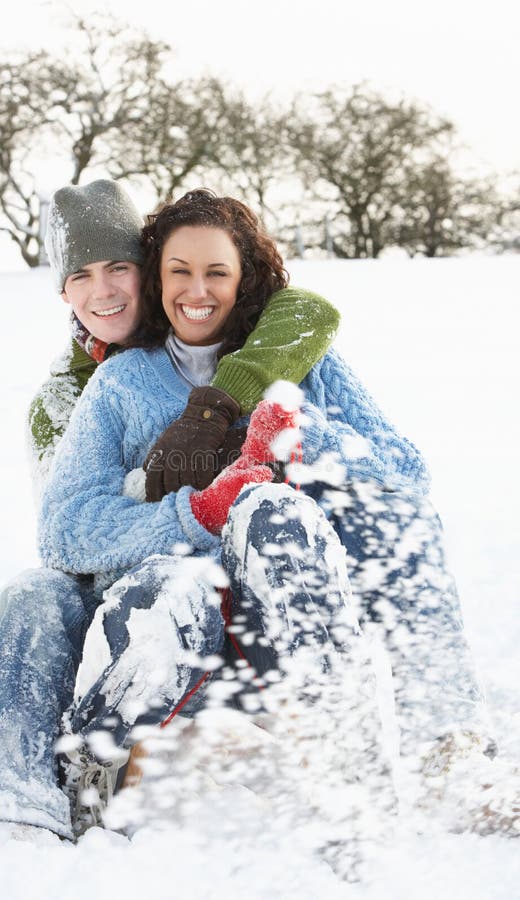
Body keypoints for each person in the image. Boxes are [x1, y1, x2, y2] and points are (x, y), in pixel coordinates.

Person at [38, 189, 519, 844]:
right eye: (179, 271)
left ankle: (445, 756)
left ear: (245, 279)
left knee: (369, 517)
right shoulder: (120, 385)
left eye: (217, 272)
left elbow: (403, 472)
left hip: (297, 614)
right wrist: (195, 508)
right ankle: (109, 773)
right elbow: (65, 527)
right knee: (243, 521)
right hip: (191, 621)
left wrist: (296, 442)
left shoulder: (299, 363)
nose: (197, 290)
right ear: (155, 278)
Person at [0, 181, 341, 876]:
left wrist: (231, 410)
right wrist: (181, 495)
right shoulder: (68, 396)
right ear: (63, 293)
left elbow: (304, 308)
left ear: (150, 272)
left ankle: (110, 775)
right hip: (108, 587)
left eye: (119, 268)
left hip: (215, 604)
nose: (104, 291)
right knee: (36, 591)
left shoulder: (235, 338)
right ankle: (3, 820)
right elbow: (69, 531)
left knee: (170, 580)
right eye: (80, 276)